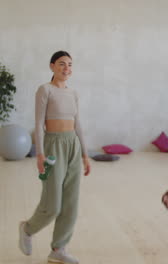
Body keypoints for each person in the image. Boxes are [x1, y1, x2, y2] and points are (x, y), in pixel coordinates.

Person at [18, 51, 91, 264]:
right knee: (53, 203)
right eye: (61, 64)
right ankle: (27, 228)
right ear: (52, 67)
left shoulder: (73, 93)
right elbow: (39, 125)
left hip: (73, 146)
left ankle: (58, 248)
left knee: (71, 203)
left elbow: (78, 125)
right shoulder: (45, 90)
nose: (66, 68)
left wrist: (85, 154)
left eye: (69, 65)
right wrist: (39, 153)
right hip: (52, 146)